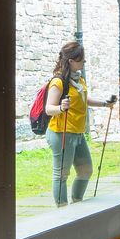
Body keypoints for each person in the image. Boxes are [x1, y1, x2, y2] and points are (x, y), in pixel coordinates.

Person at [45, 41, 114, 207]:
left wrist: (105, 103)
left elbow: (84, 99)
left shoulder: (79, 79)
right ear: (71, 61)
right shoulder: (59, 82)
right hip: (61, 132)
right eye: (81, 60)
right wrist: (61, 108)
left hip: (77, 132)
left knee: (86, 170)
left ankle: (77, 203)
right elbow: (49, 108)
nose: (84, 63)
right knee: (61, 173)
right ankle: (62, 210)